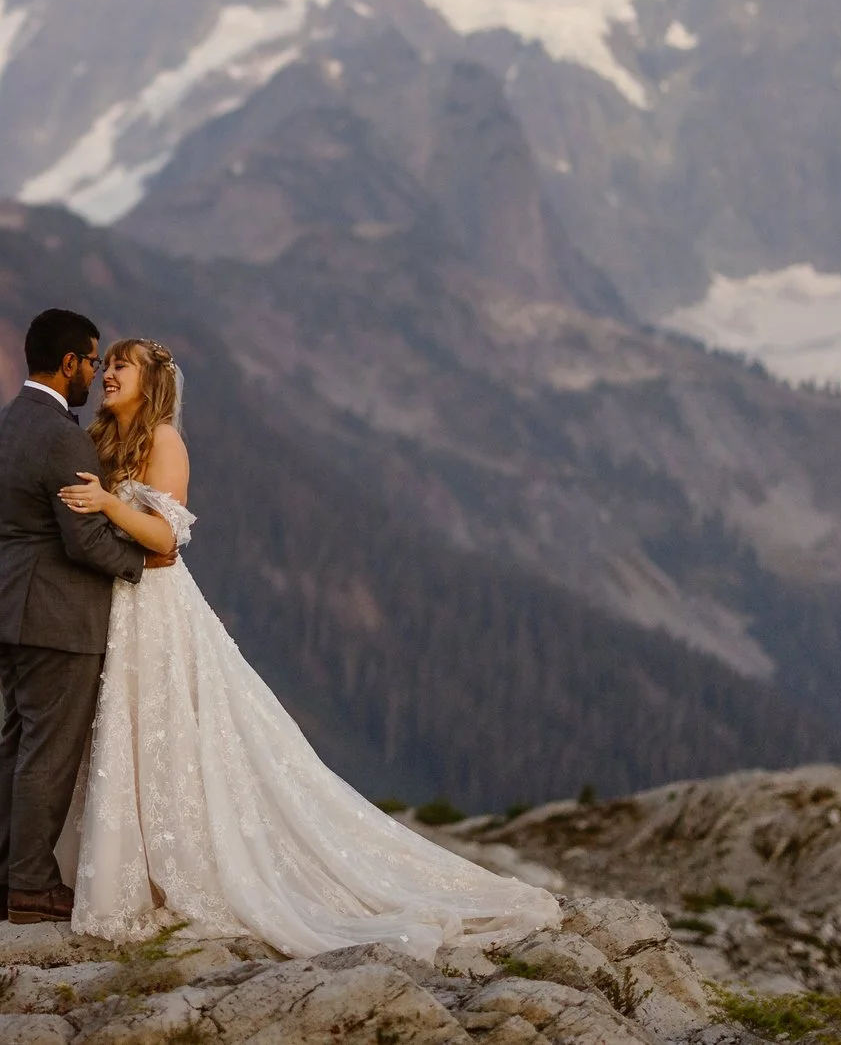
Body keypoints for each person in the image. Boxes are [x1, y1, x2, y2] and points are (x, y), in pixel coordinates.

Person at [55, 336, 560, 958]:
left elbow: (164, 540)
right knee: (131, 735)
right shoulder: (104, 441)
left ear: (150, 379)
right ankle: (141, 872)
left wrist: (106, 502)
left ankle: (188, 870)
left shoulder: (164, 440)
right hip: (116, 608)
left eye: (120, 367)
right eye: (105, 366)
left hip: (156, 607)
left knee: (171, 733)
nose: (107, 375)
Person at [0, 307, 152, 926]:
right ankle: (33, 888)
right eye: (92, 361)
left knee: (16, 746)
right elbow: (84, 540)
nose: (95, 373)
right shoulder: (61, 435)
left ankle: (0, 885)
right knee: (48, 753)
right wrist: (147, 560)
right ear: (68, 362)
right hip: (53, 617)